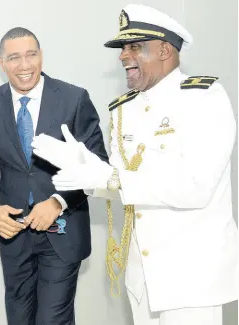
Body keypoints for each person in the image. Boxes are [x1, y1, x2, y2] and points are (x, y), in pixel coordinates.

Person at [31, 4, 238, 325]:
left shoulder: (204, 98)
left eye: (134, 47)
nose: (123, 56)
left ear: (166, 50)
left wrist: (110, 177)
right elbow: (117, 184)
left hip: (192, 275)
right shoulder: (123, 109)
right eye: (122, 48)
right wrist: (83, 170)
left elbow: (197, 188)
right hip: (142, 275)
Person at [0, 27, 108, 325]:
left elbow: (98, 165)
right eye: (15, 57)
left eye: (31, 55)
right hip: (14, 234)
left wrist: (58, 202)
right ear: (1, 62)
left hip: (63, 230)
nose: (25, 65)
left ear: (41, 56)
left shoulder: (74, 98)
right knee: (19, 318)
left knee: (51, 320)